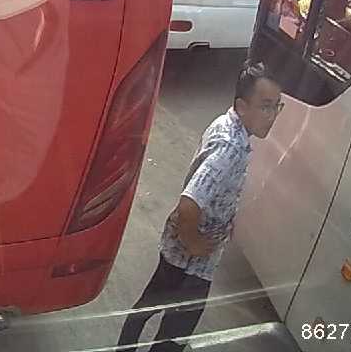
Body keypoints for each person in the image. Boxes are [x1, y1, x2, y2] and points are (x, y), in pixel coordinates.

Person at [116, 62, 283, 351]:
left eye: (276, 107)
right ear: (242, 106)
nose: (272, 116)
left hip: (178, 250)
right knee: (175, 331)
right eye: (265, 107)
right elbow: (189, 203)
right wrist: (193, 242)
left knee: (149, 305)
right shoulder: (230, 149)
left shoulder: (227, 123)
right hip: (190, 263)